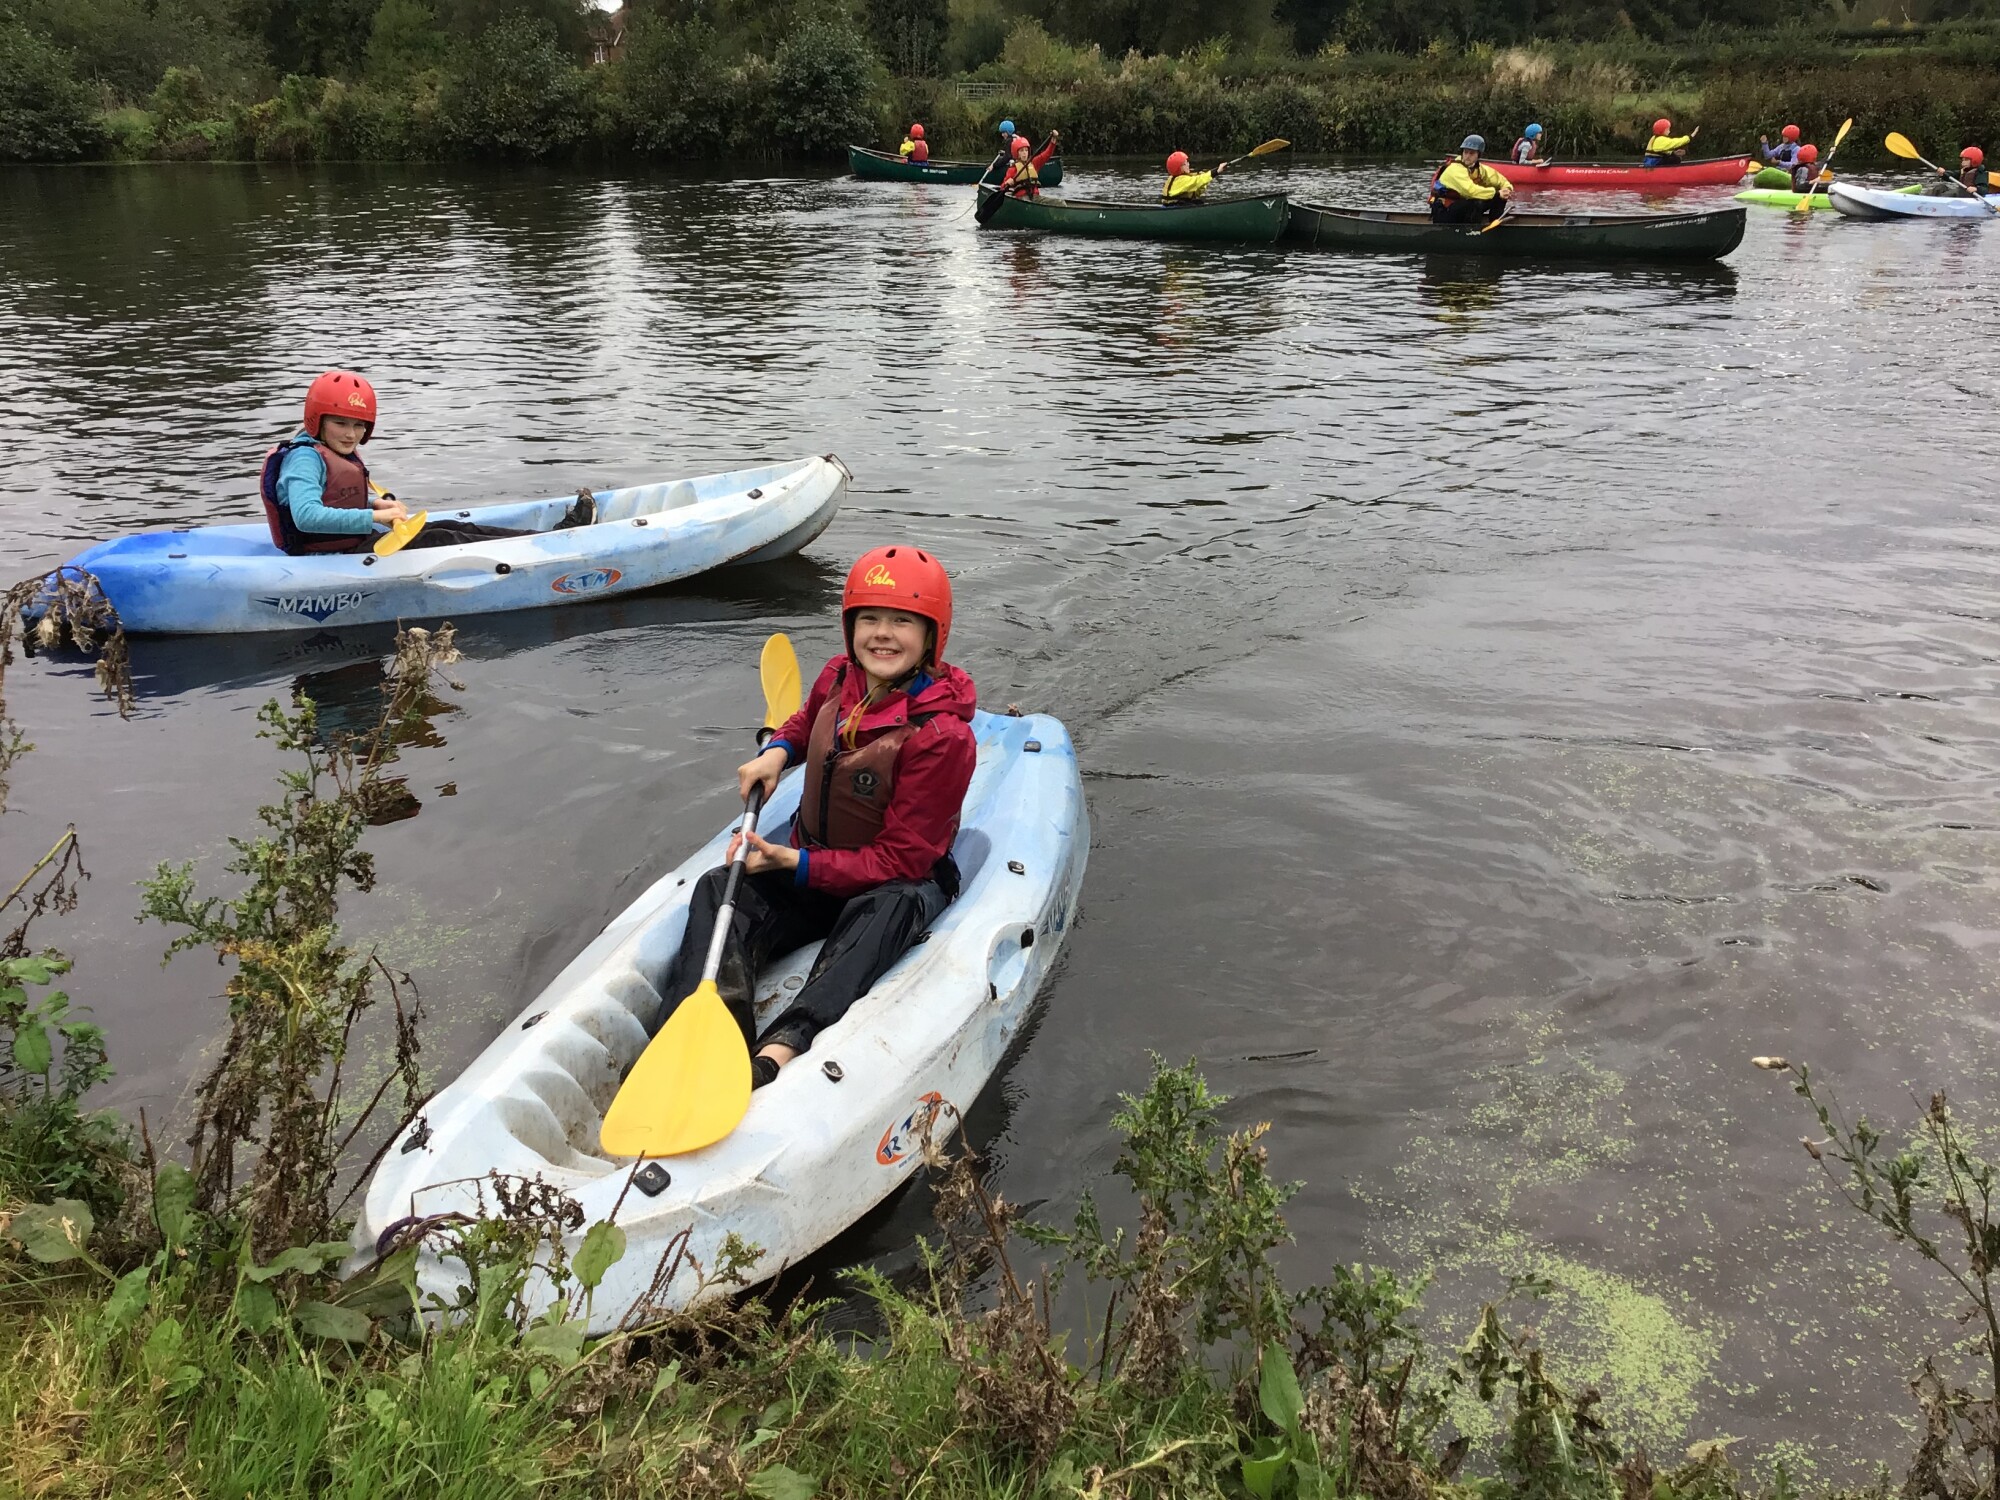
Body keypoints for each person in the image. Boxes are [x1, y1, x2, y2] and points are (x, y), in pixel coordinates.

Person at [657, 545, 979, 1086]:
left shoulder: (943, 738)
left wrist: (793, 861)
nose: (882, 633)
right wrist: (777, 753)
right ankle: (706, 1036)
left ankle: (783, 1045)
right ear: (849, 625)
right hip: (812, 864)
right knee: (721, 887)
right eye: (869, 618)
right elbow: (807, 723)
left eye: (902, 621)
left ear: (931, 636)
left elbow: (900, 860)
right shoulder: (838, 676)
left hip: (891, 883)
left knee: (889, 908)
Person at [260, 370, 593, 556]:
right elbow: (307, 517)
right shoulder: (304, 458)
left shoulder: (327, 449)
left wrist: (374, 501)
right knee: (441, 540)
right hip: (325, 559)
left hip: (349, 545)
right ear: (318, 420)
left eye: (359, 425)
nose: (351, 435)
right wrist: (375, 515)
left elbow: (336, 497)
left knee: (455, 527)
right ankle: (545, 548)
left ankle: (548, 537)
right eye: (341, 424)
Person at [1429, 135, 1513, 224]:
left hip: (1460, 209)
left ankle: (1495, 223)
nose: (1467, 156)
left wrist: (1506, 189)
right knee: (1476, 201)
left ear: (1478, 155)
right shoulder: (1455, 169)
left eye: (1471, 153)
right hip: (1444, 213)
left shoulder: (1479, 169)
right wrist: (1496, 193)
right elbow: (1470, 191)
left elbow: (1500, 180)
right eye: (1465, 152)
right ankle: (1473, 231)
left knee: (1500, 196)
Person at [996, 130, 1058, 198]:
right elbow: (1002, 187)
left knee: (1060, 203)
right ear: (1016, 153)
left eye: (1026, 150)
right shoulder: (1013, 169)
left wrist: (1053, 140)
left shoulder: (1034, 163)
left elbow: (1047, 154)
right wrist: (1007, 183)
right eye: (1021, 151)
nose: (1024, 153)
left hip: (1035, 197)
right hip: (1021, 198)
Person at [1921, 145, 1997, 197]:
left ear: (1974, 161)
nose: (1963, 162)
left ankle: (1936, 202)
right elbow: (1951, 175)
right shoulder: (1963, 171)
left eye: (1966, 160)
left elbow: (1984, 189)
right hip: (1961, 195)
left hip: (1971, 196)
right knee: (1940, 187)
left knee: (1956, 191)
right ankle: (1922, 199)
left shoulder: (1981, 173)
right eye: (1962, 160)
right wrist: (1943, 173)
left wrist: (1976, 189)